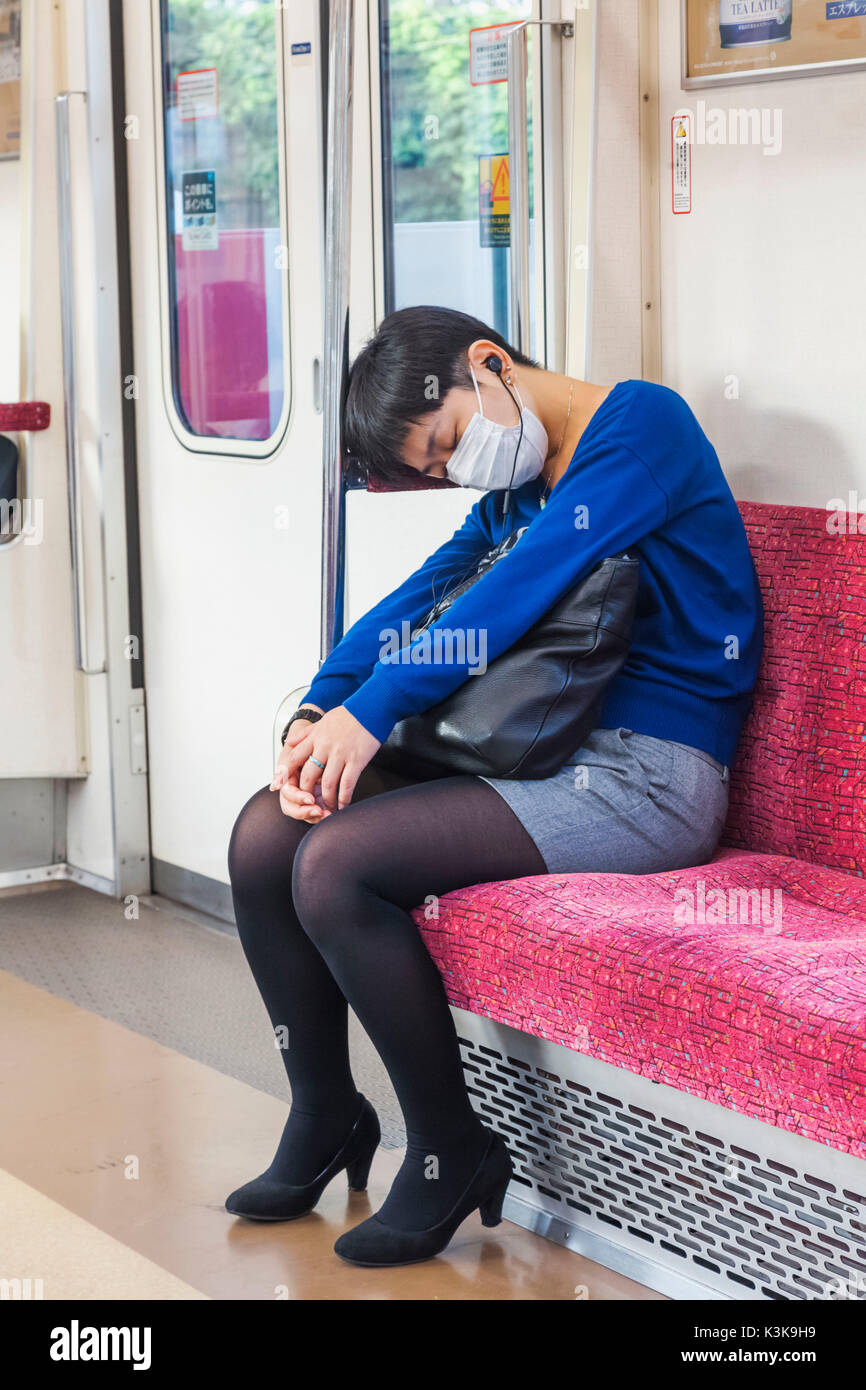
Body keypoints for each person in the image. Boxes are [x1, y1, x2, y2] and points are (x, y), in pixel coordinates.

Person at [225, 305, 763, 1268]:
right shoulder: (520, 487)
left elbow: (504, 606)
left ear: (489, 364)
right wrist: (323, 707)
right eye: (432, 472)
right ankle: (324, 1115)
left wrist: (376, 713)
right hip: (544, 755)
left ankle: (449, 1150)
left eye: (443, 446)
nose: (451, 472)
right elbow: (426, 593)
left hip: (646, 780)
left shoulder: (643, 430)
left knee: (336, 866)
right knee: (269, 834)